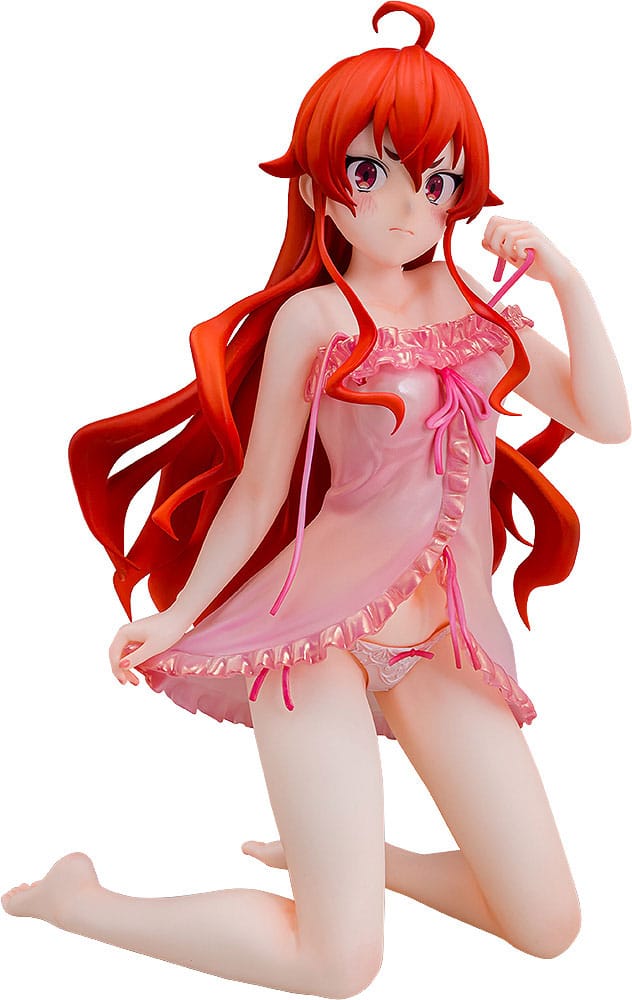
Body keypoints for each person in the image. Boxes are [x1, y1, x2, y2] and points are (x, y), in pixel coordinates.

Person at [3, 3, 629, 995]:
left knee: (548, 926)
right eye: (370, 173)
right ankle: (81, 902)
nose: (405, 207)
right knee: (338, 963)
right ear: (316, 184)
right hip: (313, 636)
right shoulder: (317, 317)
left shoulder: (484, 317)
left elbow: (607, 418)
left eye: (436, 182)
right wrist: (179, 613)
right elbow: (261, 491)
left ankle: (362, 863)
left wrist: (567, 281)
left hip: (443, 642)